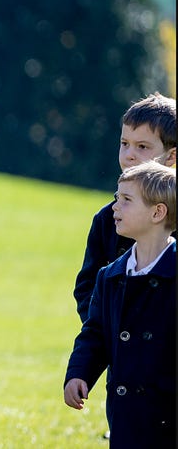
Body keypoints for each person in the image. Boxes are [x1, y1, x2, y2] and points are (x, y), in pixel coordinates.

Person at [63, 161, 176, 447]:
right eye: (116, 198)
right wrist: (79, 373)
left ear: (157, 212)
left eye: (126, 200)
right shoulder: (110, 276)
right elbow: (95, 333)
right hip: (126, 416)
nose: (114, 207)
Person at [72, 93, 175, 322]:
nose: (129, 155)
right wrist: (105, 329)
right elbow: (86, 287)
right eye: (125, 144)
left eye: (142, 146)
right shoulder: (107, 219)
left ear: (171, 157)